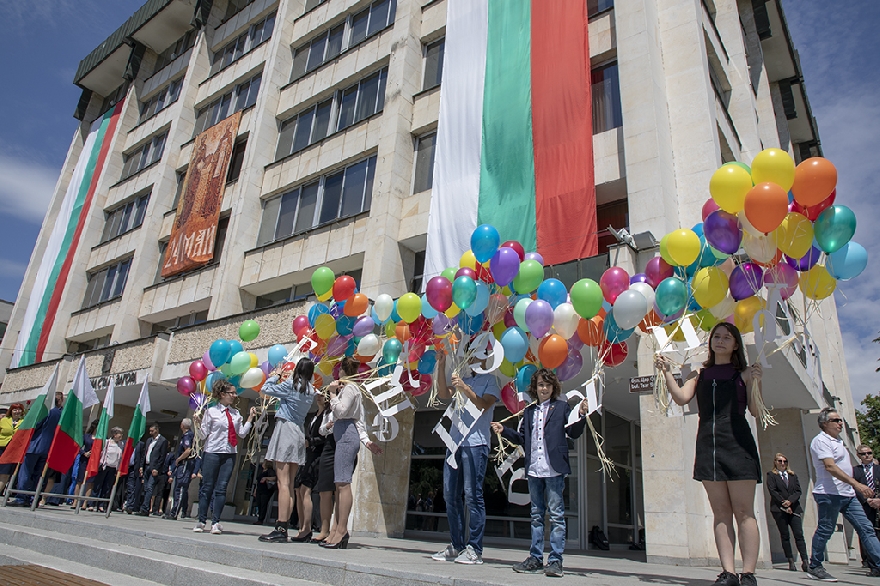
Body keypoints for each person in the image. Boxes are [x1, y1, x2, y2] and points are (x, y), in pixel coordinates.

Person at [656, 322, 763, 586]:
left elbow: (757, 412)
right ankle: (728, 572)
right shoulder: (699, 373)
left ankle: (748, 574)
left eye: (727, 337)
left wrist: (757, 382)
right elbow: (681, 398)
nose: (720, 340)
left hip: (739, 445)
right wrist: (667, 372)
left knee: (744, 511)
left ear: (736, 344)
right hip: (708, 446)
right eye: (716, 336)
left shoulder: (746, 373)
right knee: (721, 512)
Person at [490, 368, 590, 577]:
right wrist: (504, 430)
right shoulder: (529, 411)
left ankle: (555, 561)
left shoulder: (562, 407)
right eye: (540, 385)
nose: (543, 388)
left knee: (556, 516)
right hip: (534, 469)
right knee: (536, 515)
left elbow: (573, 432)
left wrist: (581, 414)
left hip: (553, 469)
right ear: (534, 388)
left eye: (547, 385)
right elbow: (522, 439)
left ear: (553, 388)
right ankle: (535, 558)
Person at [431, 346, 501, 565]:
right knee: (450, 495)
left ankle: (475, 549)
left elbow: (482, 405)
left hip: (476, 444)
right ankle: (457, 545)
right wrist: (441, 365)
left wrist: (465, 389)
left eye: (477, 354)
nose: (472, 358)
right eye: (470, 354)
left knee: (472, 495)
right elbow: (443, 395)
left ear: (485, 357)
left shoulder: (491, 381)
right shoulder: (462, 378)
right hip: (455, 443)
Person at [806, 409, 880, 581]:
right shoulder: (821, 441)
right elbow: (830, 467)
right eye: (836, 420)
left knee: (866, 528)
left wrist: (853, 488)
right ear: (825, 423)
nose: (840, 423)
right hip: (829, 494)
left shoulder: (838, 441)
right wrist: (857, 484)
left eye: (840, 420)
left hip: (847, 495)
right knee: (826, 530)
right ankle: (815, 565)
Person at [321, 356, 383, 549]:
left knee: (343, 483)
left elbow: (341, 411)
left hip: (347, 436)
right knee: (340, 483)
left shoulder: (350, 389)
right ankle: (336, 530)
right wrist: (365, 440)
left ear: (342, 371)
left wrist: (332, 395)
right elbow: (357, 418)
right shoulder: (351, 389)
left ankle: (341, 531)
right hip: (344, 434)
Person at [259, 358, 317, 543]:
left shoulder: (291, 385)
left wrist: (274, 376)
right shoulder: (311, 390)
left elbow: (266, 389)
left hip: (286, 430)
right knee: (290, 484)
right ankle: (283, 526)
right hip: (299, 431)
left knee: (283, 483)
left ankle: (280, 527)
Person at [193, 379, 256, 534]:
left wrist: (249, 418)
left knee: (221, 488)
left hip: (229, 454)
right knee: (207, 487)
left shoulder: (236, 414)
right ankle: (201, 521)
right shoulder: (211, 412)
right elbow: (203, 435)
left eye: (235, 393)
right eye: (231, 393)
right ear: (222, 394)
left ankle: (216, 522)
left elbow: (241, 433)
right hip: (212, 452)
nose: (234, 396)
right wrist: (197, 423)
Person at [13, 391, 64, 506]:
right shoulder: (60, 413)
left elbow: (35, 425)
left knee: (25, 472)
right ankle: (32, 498)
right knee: (38, 475)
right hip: (47, 448)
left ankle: (21, 497)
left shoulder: (45, 411)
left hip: (35, 445)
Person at [765, 453, 808, 572]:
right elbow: (772, 490)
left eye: (785, 461)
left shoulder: (792, 476)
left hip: (794, 508)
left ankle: (805, 561)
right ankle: (790, 560)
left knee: (799, 535)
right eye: (780, 461)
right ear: (775, 462)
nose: (782, 463)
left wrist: (790, 502)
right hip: (779, 509)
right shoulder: (771, 475)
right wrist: (783, 502)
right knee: (785, 536)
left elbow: (798, 491)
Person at [294, 393, 328, 537]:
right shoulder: (314, 415)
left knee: (305, 490)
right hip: (307, 454)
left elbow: (324, 437)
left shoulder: (327, 415)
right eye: (318, 396)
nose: (318, 397)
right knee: (298, 490)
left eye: (322, 396)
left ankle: (307, 527)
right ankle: (301, 526)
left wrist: (311, 441)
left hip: (317, 455)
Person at [853, 444, 880, 572]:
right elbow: (854, 487)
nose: (867, 455)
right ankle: (872, 564)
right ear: (858, 456)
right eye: (863, 454)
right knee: (867, 532)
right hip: (864, 505)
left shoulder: (878, 469)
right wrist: (867, 499)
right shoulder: (855, 471)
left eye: (869, 453)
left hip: (879, 504)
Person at [165, 419, 195, 519]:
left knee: (180, 489)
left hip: (185, 464)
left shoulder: (188, 435)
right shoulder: (185, 435)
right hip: (181, 466)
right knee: (177, 489)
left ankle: (175, 512)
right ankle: (173, 511)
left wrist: (179, 459)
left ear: (182, 425)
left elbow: (188, 450)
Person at [136, 423, 168, 516]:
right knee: (145, 488)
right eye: (149, 431)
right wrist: (141, 466)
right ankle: (144, 505)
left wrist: (157, 468)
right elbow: (145, 454)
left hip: (154, 468)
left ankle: (145, 509)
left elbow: (162, 456)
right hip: (146, 466)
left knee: (150, 487)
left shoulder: (162, 441)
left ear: (157, 430)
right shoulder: (149, 440)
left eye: (152, 431)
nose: (150, 433)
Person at [90, 427, 124, 512]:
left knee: (107, 487)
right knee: (98, 485)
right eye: (120, 434)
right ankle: (92, 504)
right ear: (114, 434)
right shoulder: (107, 442)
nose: (121, 436)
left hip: (113, 468)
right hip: (104, 466)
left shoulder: (121, 444)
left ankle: (101, 505)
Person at [0, 403, 25, 496]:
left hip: (13, 449)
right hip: (1, 446)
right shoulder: (4, 420)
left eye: (19, 409)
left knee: (5, 473)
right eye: (15, 409)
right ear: (11, 411)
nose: (17, 411)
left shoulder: (24, 421)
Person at [124, 438, 147, 513]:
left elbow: (143, 457)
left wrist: (141, 466)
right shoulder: (126, 443)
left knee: (131, 487)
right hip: (124, 467)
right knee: (121, 487)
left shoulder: (140, 444)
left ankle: (129, 506)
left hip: (133, 468)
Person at [253, 460, 277, 525]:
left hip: (266, 490)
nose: (262, 464)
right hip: (259, 489)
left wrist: (266, 478)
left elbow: (275, 478)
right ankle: (259, 517)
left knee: (263, 504)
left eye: (264, 463)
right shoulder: (261, 471)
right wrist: (255, 490)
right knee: (259, 503)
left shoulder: (270, 471)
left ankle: (261, 519)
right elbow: (258, 482)